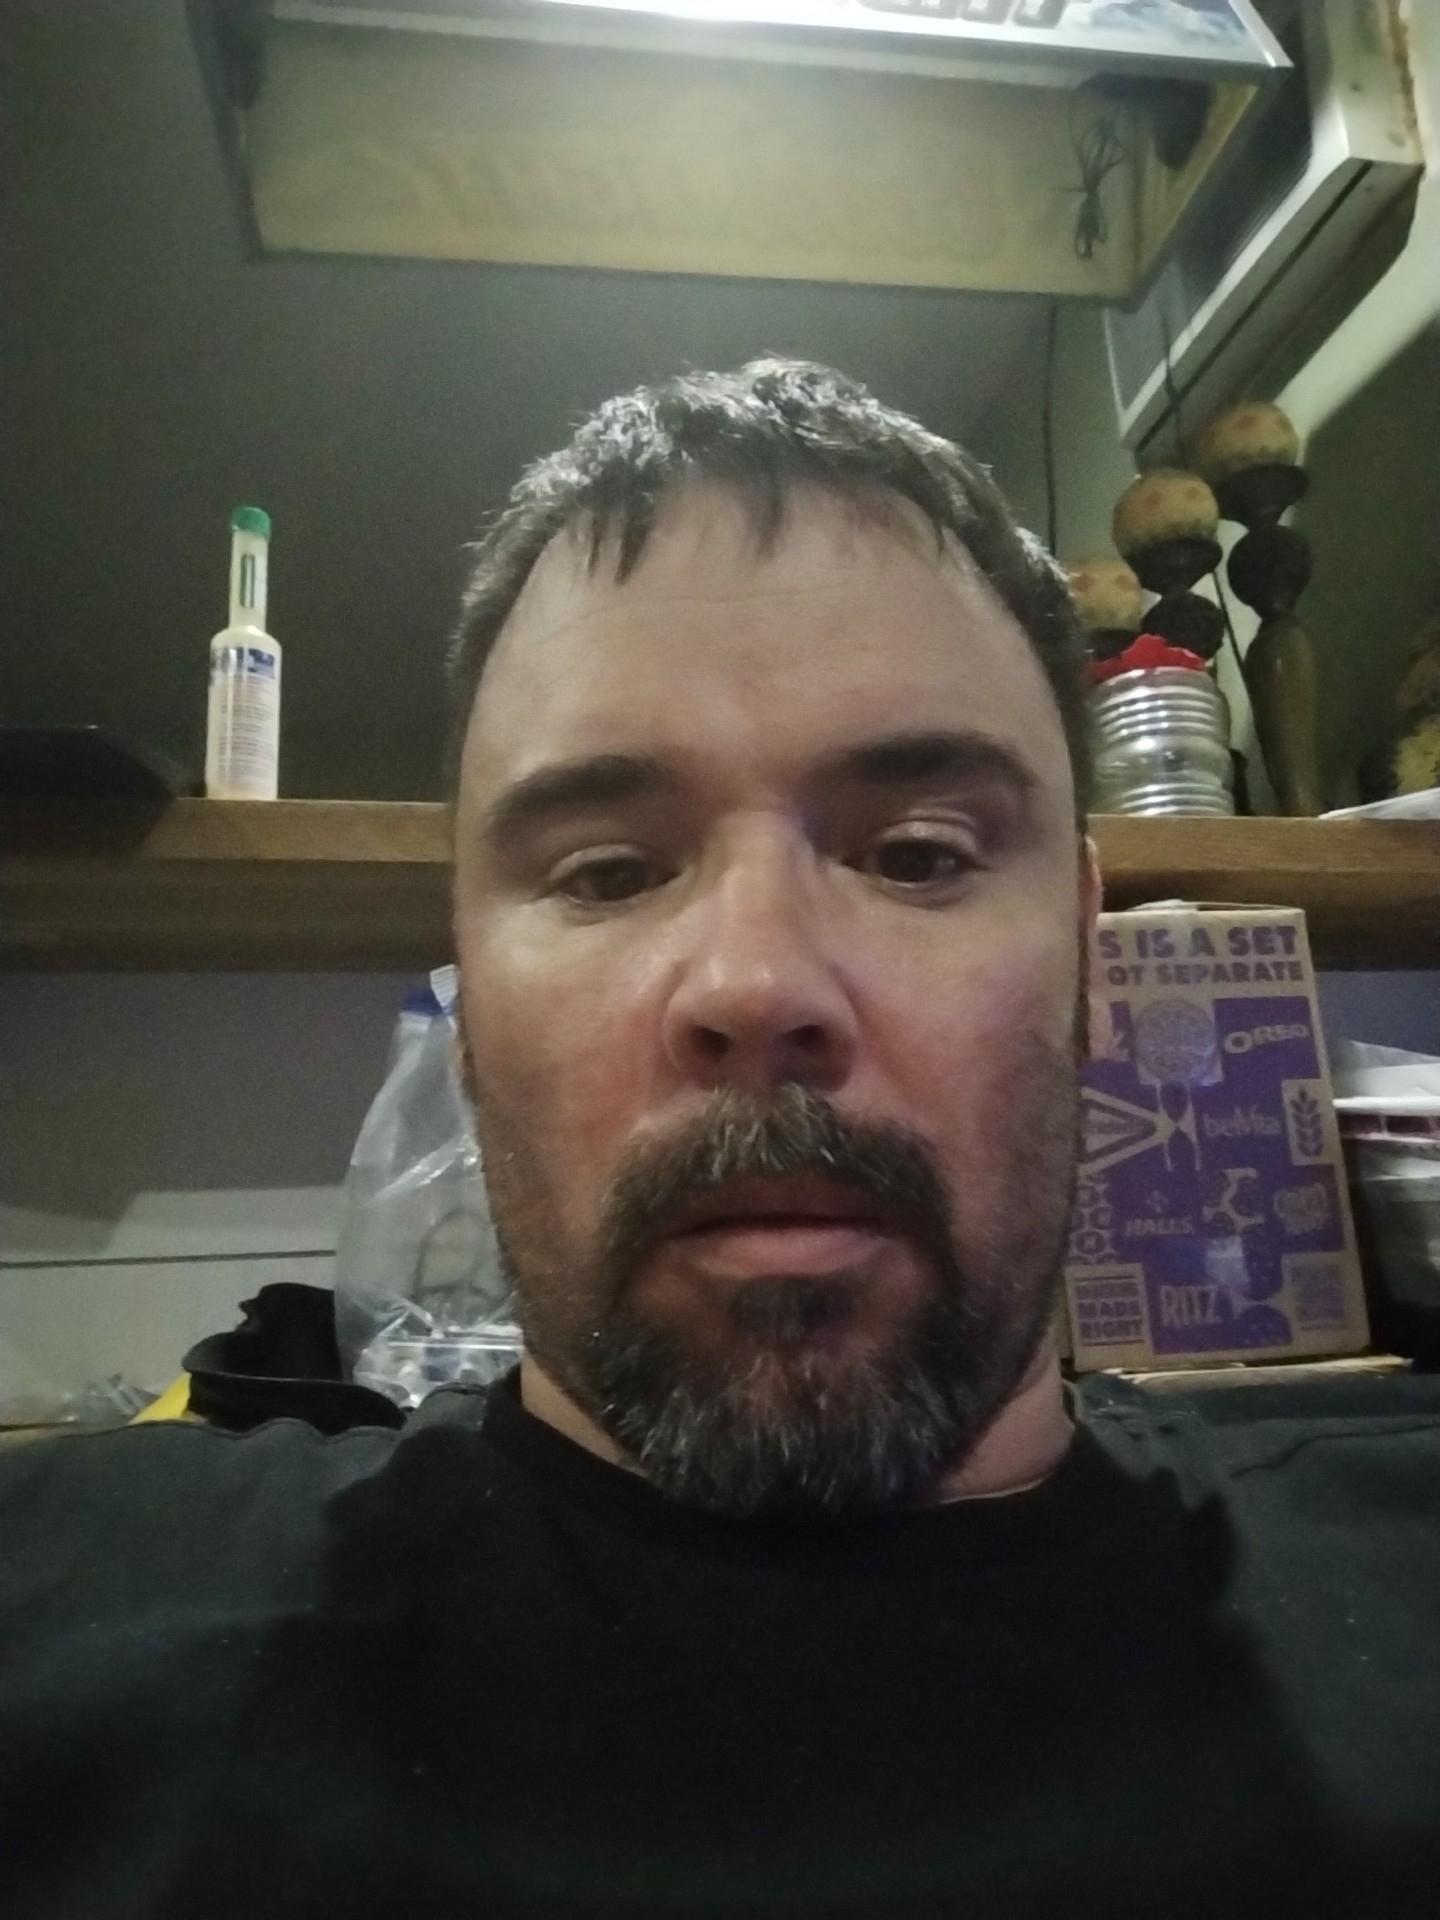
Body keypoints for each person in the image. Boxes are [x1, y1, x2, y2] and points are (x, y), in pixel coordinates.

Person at [1, 361, 1437, 1920]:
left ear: (1089, 957)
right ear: (465, 994)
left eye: (919, 854)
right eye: (609, 873)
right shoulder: (59, 1623)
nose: (756, 986)